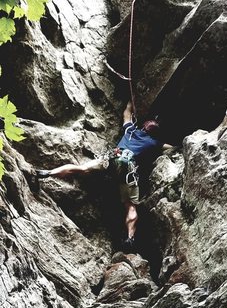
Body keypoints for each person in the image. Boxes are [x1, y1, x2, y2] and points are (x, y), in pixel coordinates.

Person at [34, 102, 173, 252]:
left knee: (82, 168)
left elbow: (126, 114)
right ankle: (130, 238)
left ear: (143, 127)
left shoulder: (131, 130)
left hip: (111, 157)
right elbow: (172, 147)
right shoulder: (154, 142)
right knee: (130, 205)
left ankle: (47, 173)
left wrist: (131, 103)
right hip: (127, 166)